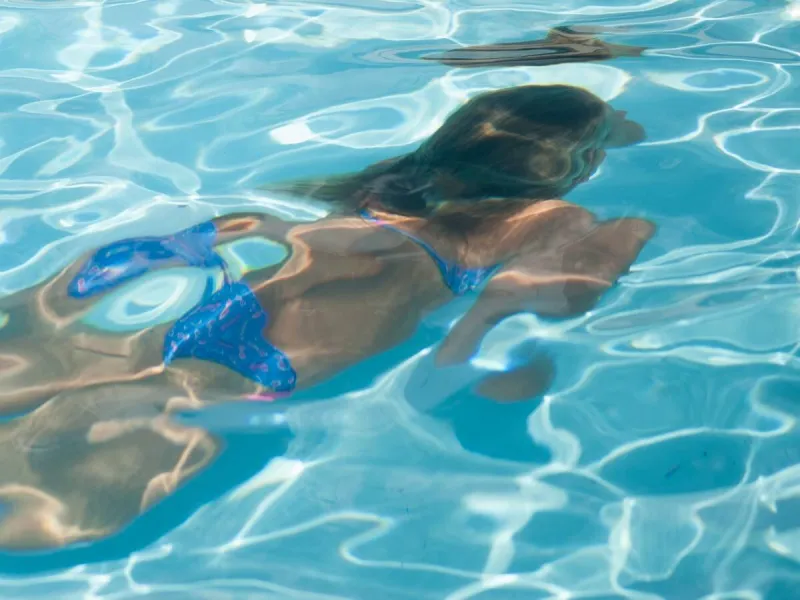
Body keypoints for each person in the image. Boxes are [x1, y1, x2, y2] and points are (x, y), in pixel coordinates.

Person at [0, 84, 653, 550]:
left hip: (226, 295)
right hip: (278, 356)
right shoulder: (544, 217)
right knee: (102, 473)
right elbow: (565, 296)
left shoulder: (387, 183)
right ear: (579, 164)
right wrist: (631, 231)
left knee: (141, 374)